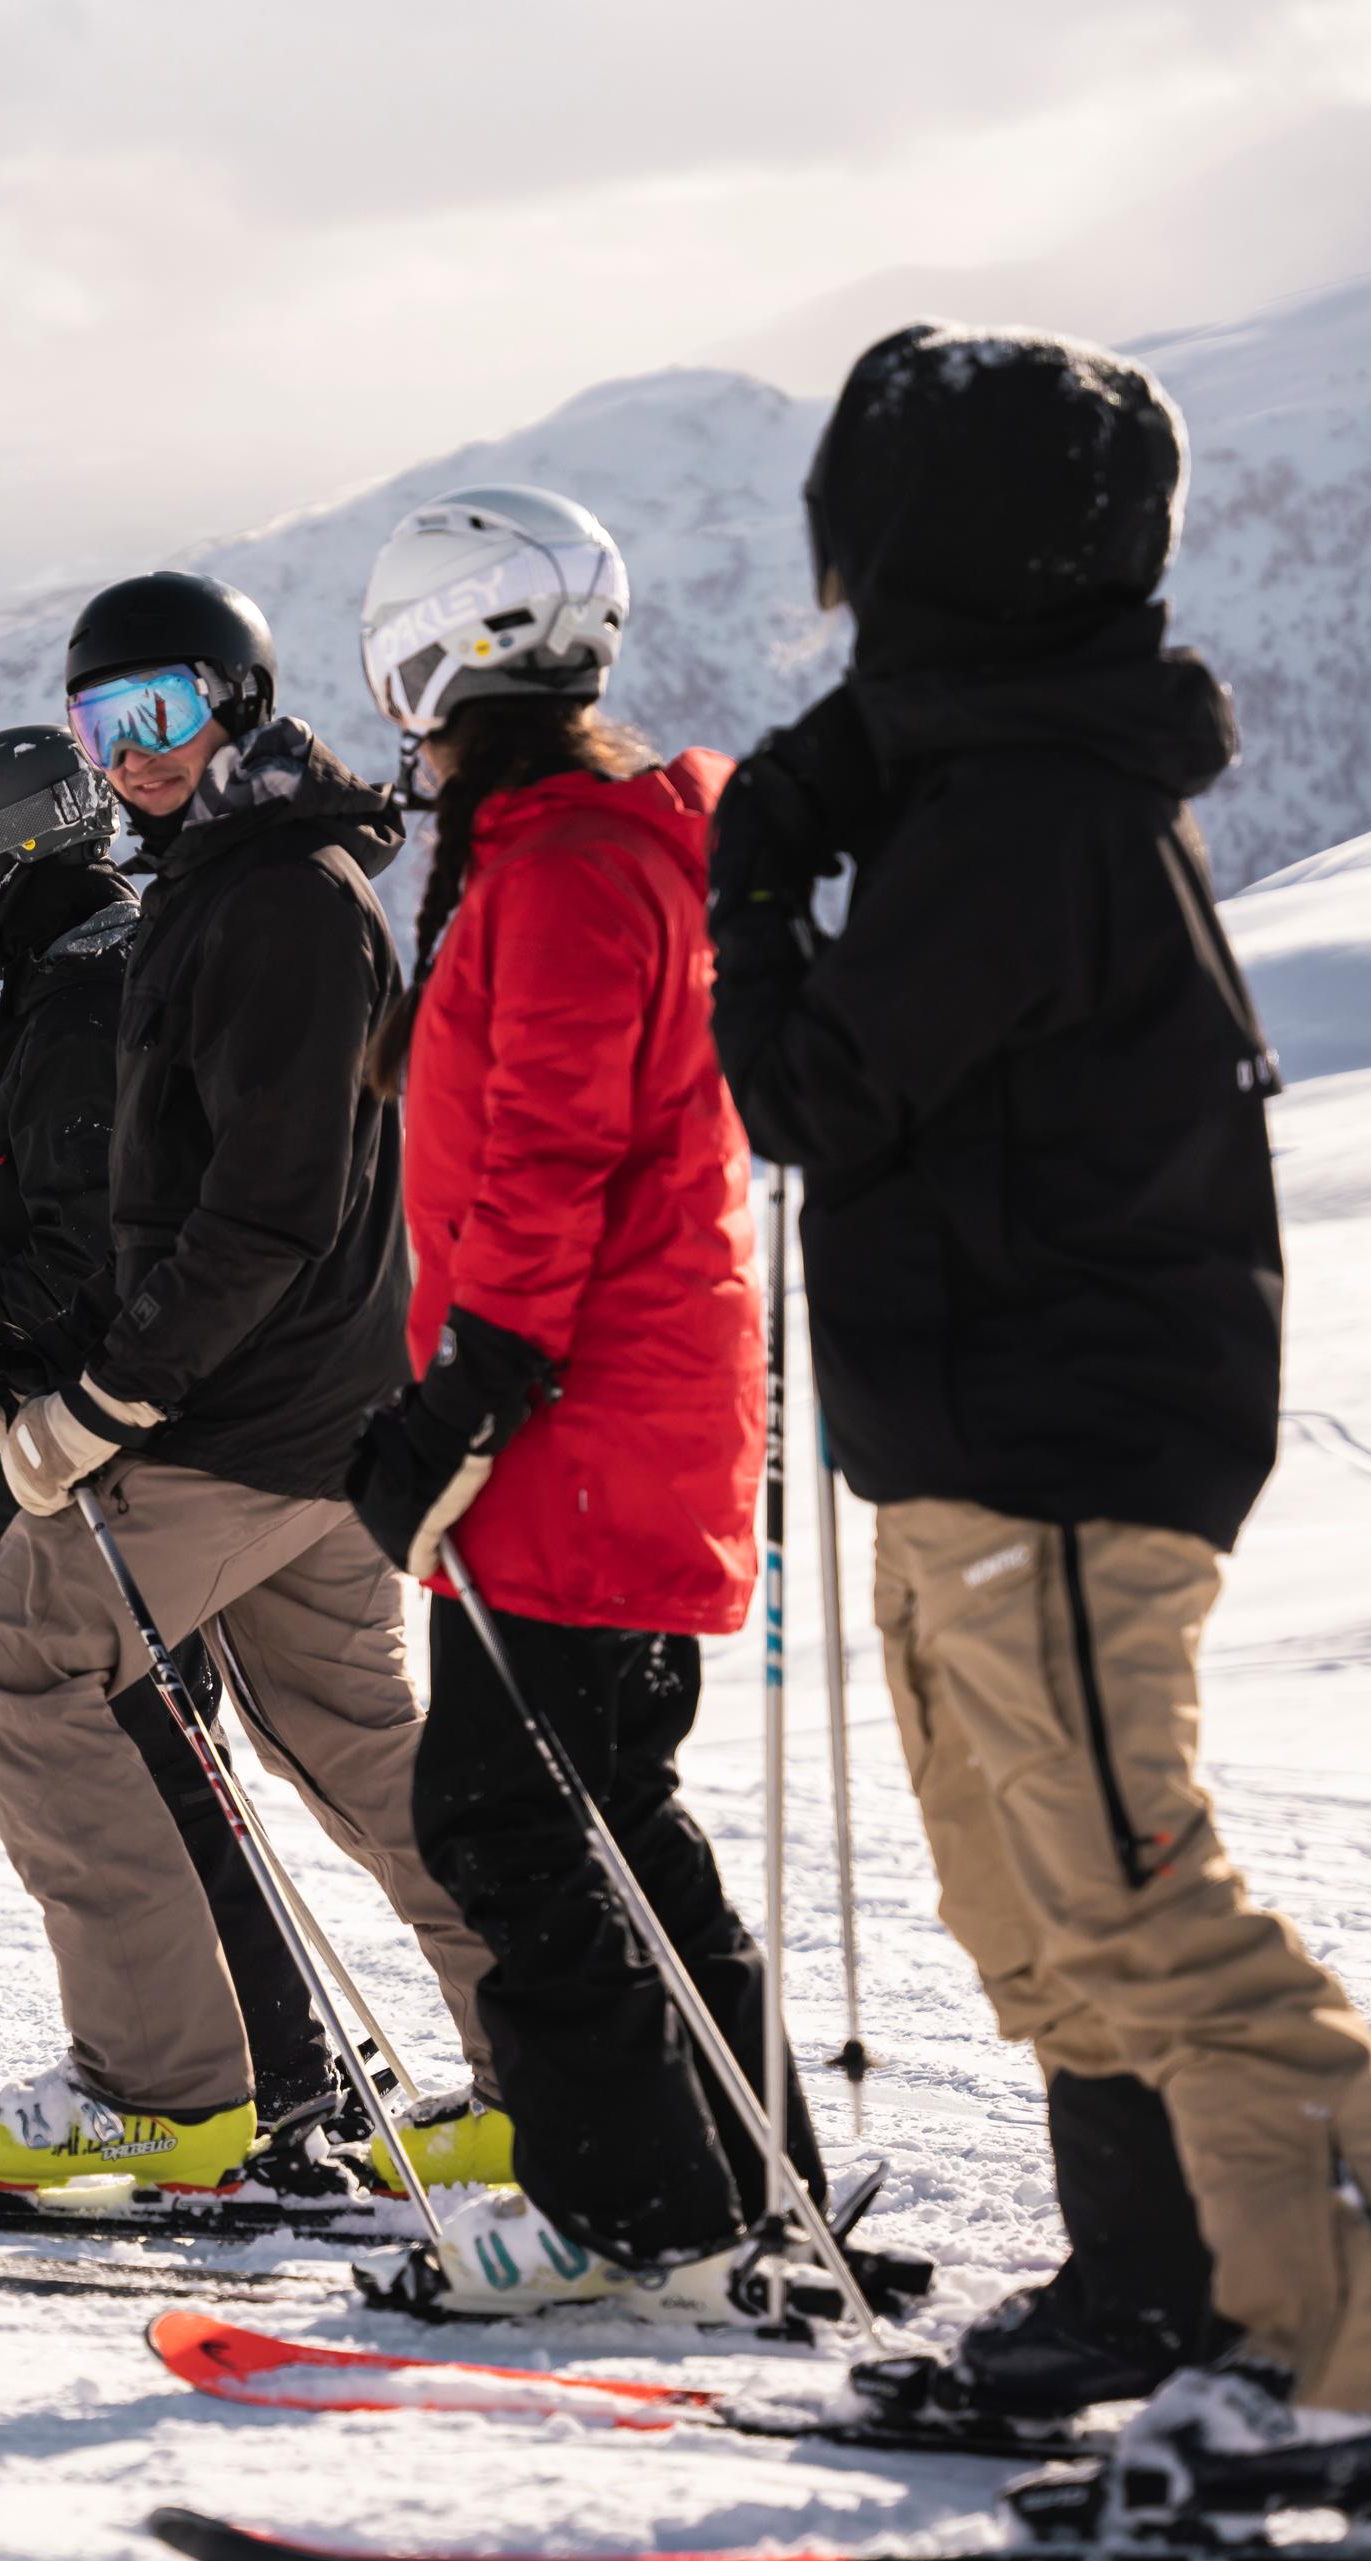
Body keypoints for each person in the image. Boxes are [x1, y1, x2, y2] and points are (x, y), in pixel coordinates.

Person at [710, 325, 1371, 2511]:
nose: (849, 601)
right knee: (1047, 1914)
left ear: (940, 556)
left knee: (1151, 1911)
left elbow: (816, 1092)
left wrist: (758, 883)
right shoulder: (1009, 786)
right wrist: (846, 793)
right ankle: (1151, 2283)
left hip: (1051, 1453)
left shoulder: (1031, 820)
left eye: (870, 559)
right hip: (978, 1445)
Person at [0, 725, 492, 2162]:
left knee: (43, 1691)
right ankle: (554, 2054)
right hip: (335, 1402)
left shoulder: (79, 998)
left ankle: (173, 2088)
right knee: (349, 1742)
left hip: (193, 1428)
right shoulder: (168, 937)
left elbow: (87, 1259)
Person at [342, 486, 825, 2317]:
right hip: (635, 1406)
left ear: (429, 661)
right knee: (607, 1800)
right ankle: (745, 2188)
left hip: (579, 1422)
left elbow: (548, 1150)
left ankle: (636, 2217)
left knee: (511, 1813)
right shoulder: (600, 838)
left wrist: (472, 1393)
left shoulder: (555, 864)